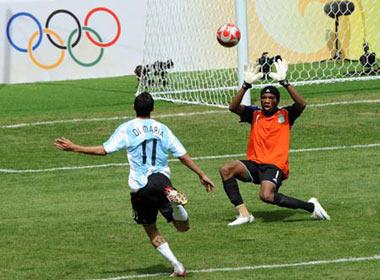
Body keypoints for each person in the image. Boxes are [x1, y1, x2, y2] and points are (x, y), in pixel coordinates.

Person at [54, 92, 215, 277]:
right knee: (183, 227)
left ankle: (177, 265)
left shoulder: (127, 128)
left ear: (134, 108)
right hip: (163, 181)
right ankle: (176, 204)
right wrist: (201, 174)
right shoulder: (163, 128)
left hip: (141, 187)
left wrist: (75, 147)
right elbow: (182, 155)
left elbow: (104, 150)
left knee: (152, 230)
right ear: (153, 109)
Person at [219, 59, 330, 226]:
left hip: (274, 165)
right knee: (226, 170)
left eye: (271, 98)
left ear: (277, 101)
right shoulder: (254, 114)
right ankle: (243, 214)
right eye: (263, 97)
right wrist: (245, 85)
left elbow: (302, 103)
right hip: (255, 164)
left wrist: (284, 83)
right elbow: (233, 107)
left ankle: (311, 206)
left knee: (266, 196)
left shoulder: (286, 114)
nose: (266, 100)